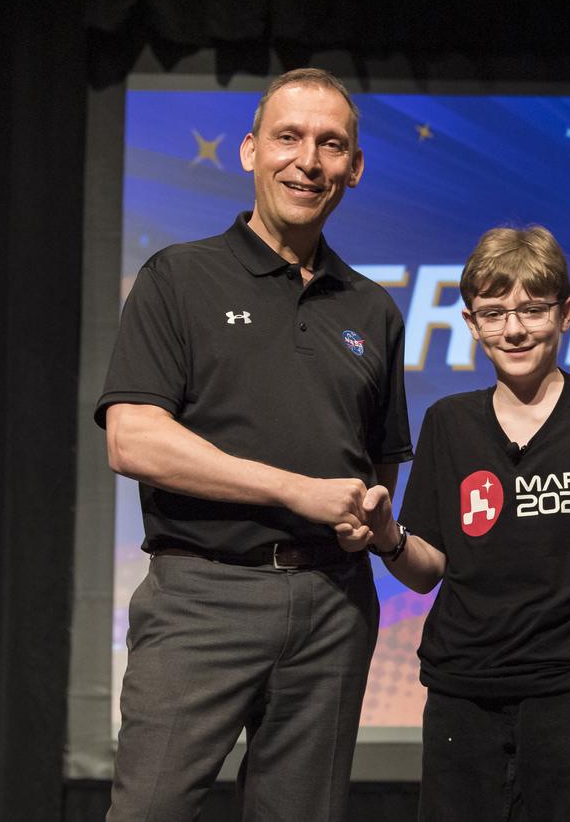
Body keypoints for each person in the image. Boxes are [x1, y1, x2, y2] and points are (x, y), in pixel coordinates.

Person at [96, 68, 412, 822]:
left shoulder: (372, 306)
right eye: (289, 138)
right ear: (249, 152)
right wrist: (294, 490)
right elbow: (133, 439)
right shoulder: (179, 277)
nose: (309, 160)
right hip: (202, 597)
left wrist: (364, 517)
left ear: (354, 168)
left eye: (331, 145)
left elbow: (380, 462)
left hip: (334, 605)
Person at [352, 225, 570, 821]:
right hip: (462, 696)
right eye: (494, 313)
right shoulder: (449, 423)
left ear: (566, 313)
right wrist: (387, 538)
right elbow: (429, 570)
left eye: (533, 309)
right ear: (472, 324)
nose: (515, 328)